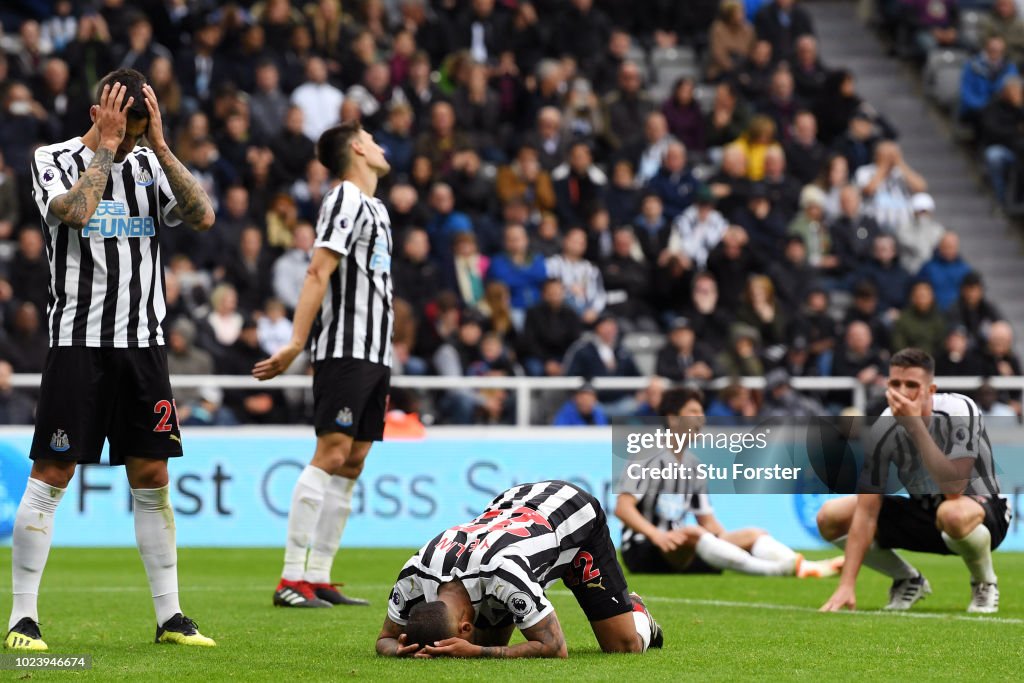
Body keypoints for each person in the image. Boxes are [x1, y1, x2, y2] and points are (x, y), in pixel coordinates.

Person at [7, 68, 216, 651]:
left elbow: (202, 215)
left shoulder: (151, 161)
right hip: (77, 342)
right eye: (125, 129)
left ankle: (170, 617)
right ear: (101, 111)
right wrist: (103, 147)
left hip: (143, 345)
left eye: (139, 132)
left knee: (152, 477)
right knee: (53, 472)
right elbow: (73, 212)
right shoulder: (52, 158)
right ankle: (23, 618)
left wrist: (163, 147)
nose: (131, 143)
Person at [253, 120, 393, 608]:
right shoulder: (345, 198)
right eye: (372, 139)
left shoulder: (375, 207)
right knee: (331, 453)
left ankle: (319, 575)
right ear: (357, 148)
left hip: (375, 354)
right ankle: (291, 579)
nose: (379, 145)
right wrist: (296, 342)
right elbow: (318, 269)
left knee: (352, 462)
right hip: (344, 348)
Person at [376, 480, 664, 658]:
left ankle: (637, 612)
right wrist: (401, 649)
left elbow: (554, 647)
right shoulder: (414, 573)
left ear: (465, 627)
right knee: (492, 639)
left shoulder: (503, 573)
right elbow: (385, 638)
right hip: (513, 513)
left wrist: (476, 651)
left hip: (573, 516)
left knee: (623, 646)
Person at [818, 349, 1010, 614]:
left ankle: (985, 582)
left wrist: (914, 426)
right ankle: (908, 578)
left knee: (952, 513)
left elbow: (954, 488)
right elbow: (866, 510)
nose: (902, 392)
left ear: (930, 389)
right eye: (895, 384)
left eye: (912, 385)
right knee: (830, 517)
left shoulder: (959, 409)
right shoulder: (883, 427)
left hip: (982, 513)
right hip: (925, 513)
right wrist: (846, 585)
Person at [616, 388, 842, 577]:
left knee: (753, 534)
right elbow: (622, 508)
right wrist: (657, 535)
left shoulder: (694, 466)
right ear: (673, 418)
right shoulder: (647, 456)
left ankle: (806, 566)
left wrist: (729, 542)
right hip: (643, 549)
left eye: (702, 412)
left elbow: (708, 521)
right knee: (691, 533)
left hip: (682, 551)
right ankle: (773, 570)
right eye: (693, 412)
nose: (701, 418)